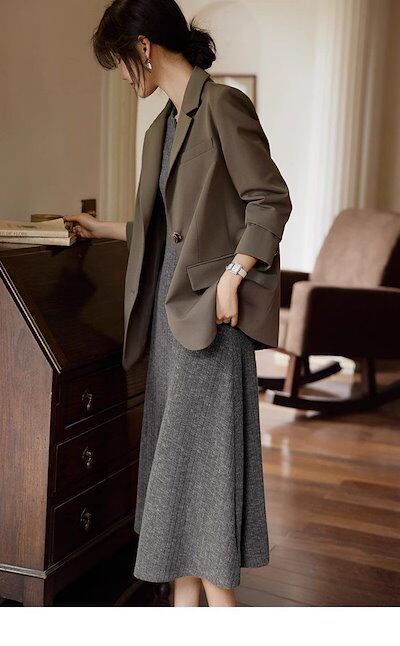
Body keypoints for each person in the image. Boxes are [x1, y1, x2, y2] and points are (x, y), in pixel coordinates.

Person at [63, 0, 292, 607]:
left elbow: (270, 200)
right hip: (168, 329)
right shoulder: (158, 130)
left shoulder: (222, 106)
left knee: (203, 497)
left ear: (142, 47)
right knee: (177, 502)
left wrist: (234, 275)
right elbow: (166, 232)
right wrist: (102, 228)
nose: (121, 77)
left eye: (119, 61)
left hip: (210, 328)